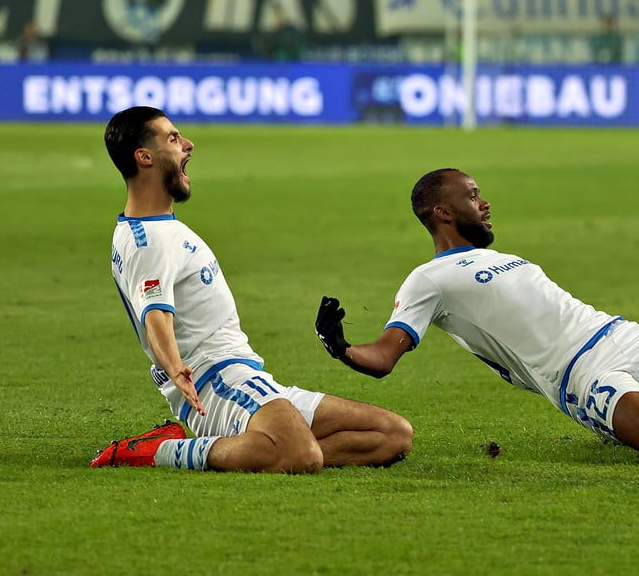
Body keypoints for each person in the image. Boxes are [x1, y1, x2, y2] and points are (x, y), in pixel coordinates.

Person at [314, 168, 639, 465]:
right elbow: (385, 355)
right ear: (443, 211)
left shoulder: (508, 256)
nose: (485, 202)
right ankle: (632, 414)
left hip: (623, 334)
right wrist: (341, 347)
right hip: (578, 374)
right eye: (474, 195)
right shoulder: (427, 280)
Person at [93, 106, 412, 473]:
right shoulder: (150, 239)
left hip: (248, 375)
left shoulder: (153, 228)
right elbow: (156, 315)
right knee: (300, 457)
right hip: (216, 382)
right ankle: (158, 451)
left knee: (392, 434)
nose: (188, 144)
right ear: (144, 157)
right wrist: (174, 367)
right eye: (174, 138)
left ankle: (269, 445)